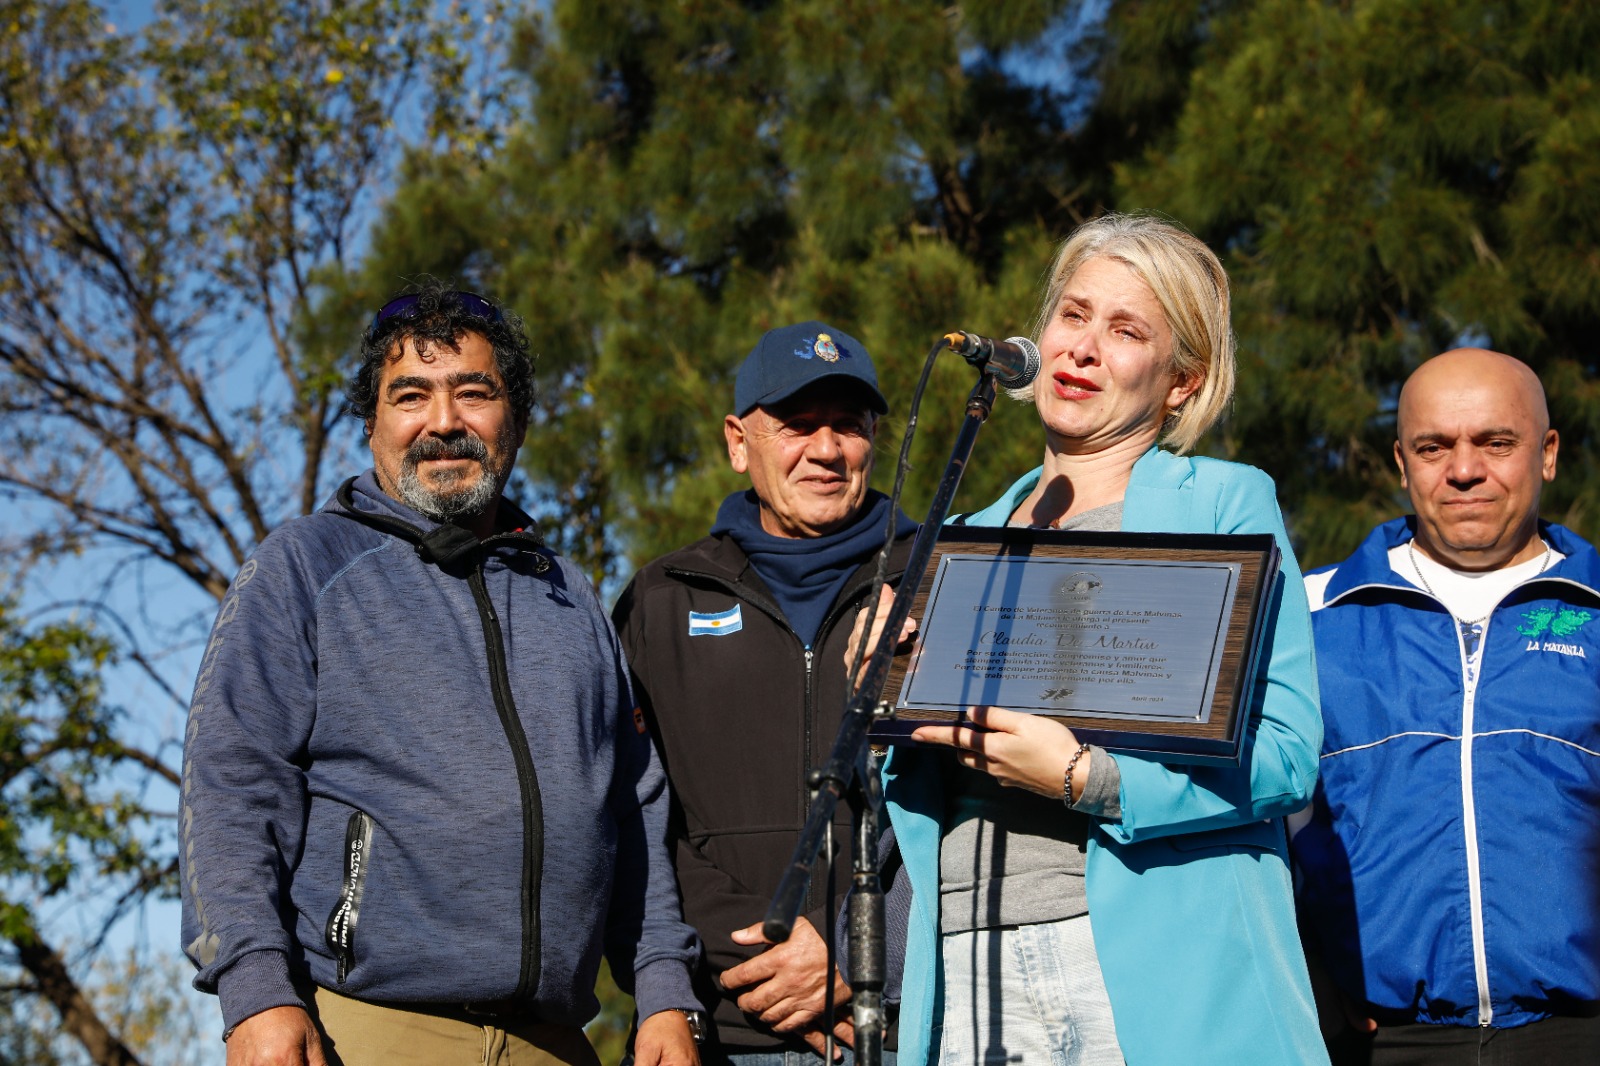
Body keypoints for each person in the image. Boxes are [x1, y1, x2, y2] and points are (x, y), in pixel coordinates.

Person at [179, 283, 701, 1066]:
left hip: (558, 1044)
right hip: (363, 1032)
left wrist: (664, 993)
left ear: (515, 420)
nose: (444, 422)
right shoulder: (303, 567)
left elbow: (635, 807)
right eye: (411, 395)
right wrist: (255, 991)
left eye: (474, 393)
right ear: (373, 424)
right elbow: (230, 788)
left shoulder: (571, 596)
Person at [861, 214, 1328, 1065]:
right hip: (969, 972)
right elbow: (911, 778)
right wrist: (888, 676)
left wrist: (1089, 779)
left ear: (1181, 381)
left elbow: (1288, 754)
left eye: (1125, 330)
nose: (1081, 348)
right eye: (1072, 315)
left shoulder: (1222, 505)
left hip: (1157, 962)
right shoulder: (961, 538)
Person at [612, 321, 917, 1064]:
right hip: (716, 1033)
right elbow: (632, 817)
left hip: (896, 1028)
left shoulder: (938, 582)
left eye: (848, 425)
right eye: (796, 425)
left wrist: (857, 950)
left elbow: (974, 807)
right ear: (736, 440)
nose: (825, 449)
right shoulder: (659, 601)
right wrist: (760, 962)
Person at [1291, 348, 1600, 1064]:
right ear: (1402, 462)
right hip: (1381, 1042)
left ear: (1547, 453)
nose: (1464, 469)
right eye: (1435, 447)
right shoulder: (1308, 616)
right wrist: (1308, 969)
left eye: (1496, 442)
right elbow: (1262, 827)